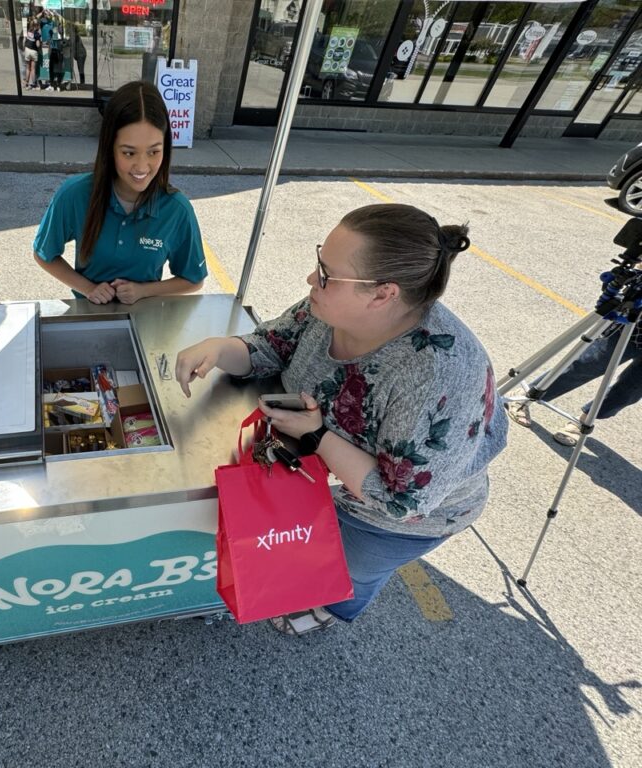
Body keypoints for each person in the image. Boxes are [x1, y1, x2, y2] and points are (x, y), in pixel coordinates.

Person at [175, 203, 508, 635]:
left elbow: (401, 501)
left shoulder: (437, 376)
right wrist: (221, 349)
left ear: (383, 293)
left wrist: (316, 436)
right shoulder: (331, 307)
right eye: (319, 263)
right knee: (311, 551)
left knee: (352, 570)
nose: (312, 279)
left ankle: (335, 609)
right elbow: (274, 343)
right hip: (319, 476)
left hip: (392, 520)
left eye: (327, 273)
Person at [33, 80, 207, 304]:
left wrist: (144, 291)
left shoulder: (177, 209)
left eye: (154, 151)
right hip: (86, 316)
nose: (142, 167)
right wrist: (88, 288)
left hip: (146, 320)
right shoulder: (75, 194)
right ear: (109, 148)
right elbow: (44, 253)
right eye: (128, 153)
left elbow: (194, 279)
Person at [505, 325, 641, 446]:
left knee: (631, 389)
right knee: (588, 365)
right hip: (635, 328)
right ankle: (525, 397)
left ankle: (583, 421)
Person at [22, 20, 41, 89]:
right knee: (33, 69)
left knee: (28, 68)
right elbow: (38, 45)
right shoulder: (37, 34)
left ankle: (26, 83)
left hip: (27, 49)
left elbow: (24, 41)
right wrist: (39, 39)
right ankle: (33, 83)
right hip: (33, 51)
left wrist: (24, 49)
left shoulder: (28, 31)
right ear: (37, 26)